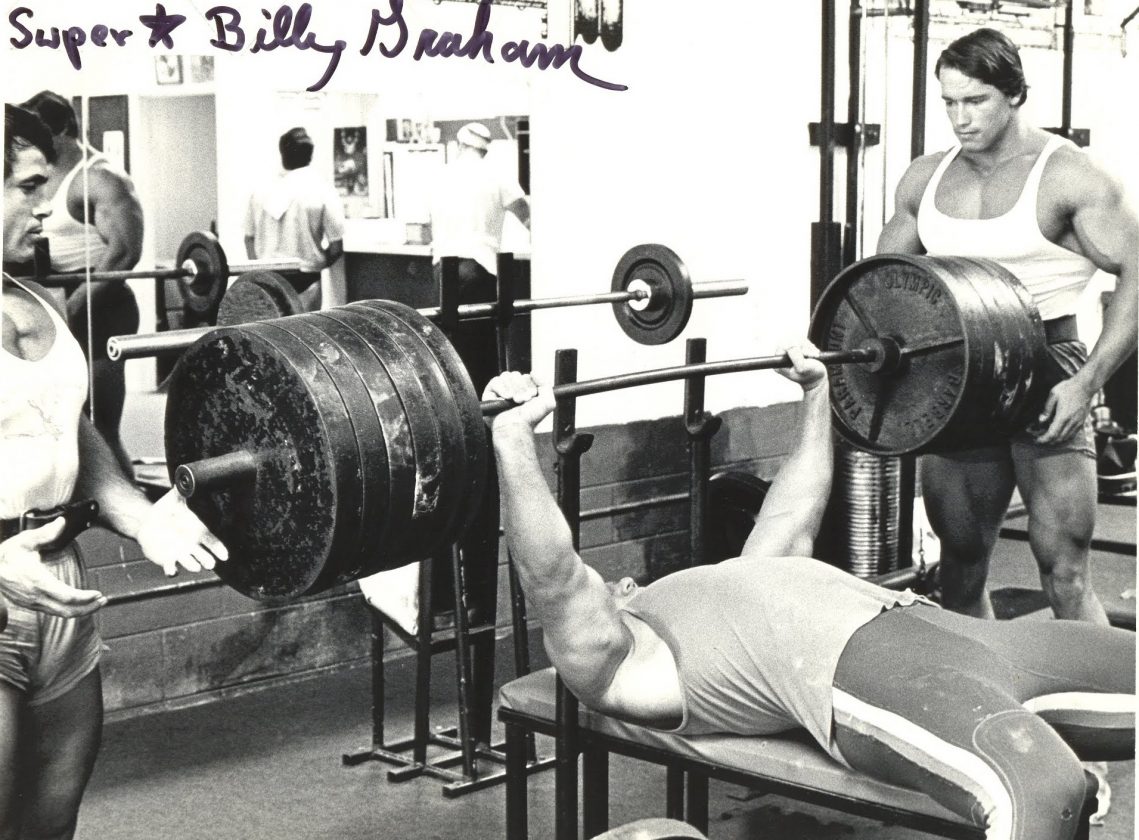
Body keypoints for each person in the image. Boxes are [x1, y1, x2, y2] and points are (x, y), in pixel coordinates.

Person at [484, 349, 1134, 840]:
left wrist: (817, 391)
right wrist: (512, 439)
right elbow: (553, 577)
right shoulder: (624, 661)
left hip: (961, 636)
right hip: (867, 679)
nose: (620, 579)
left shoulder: (730, 580)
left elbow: (795, 511)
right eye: (608, 582)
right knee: (1042, 786)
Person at [2, 103, 228, 840]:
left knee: (53, 811)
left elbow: (74, 430)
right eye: (27, 188)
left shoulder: (37, 300)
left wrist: (139, 515)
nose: (47, 208)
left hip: (60, 583)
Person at [877, 28, 1138, 623]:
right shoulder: (925, 179)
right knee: (960, 566)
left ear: (1015, 94)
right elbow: (882, 288)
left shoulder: (1069, 176)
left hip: (1046, 367)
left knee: (1064, 572)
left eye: (976, 101)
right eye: (949, 102)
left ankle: (1098, 686)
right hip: (957, 375)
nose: (960, 118)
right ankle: (984, 682)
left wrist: (1087, 384)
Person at [20, 90, 145, 477]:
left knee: (101, 429)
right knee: (57, 426)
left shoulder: (99, 177)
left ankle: (131, 504)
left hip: (101, 308)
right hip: (55, 303)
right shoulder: (44, 173)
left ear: (62, 129)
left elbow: (124, 253)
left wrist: (70, 309)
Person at [244, 126, 345, 312]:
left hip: (268, 279)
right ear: (310, 156)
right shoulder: (322, 189)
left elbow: (249, 238)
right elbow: (336, 247)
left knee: (268, 330)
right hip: (305, 279)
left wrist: (258, 269)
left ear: (282, 154)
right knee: (303, 330)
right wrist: (316, 262)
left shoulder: (260, 191)